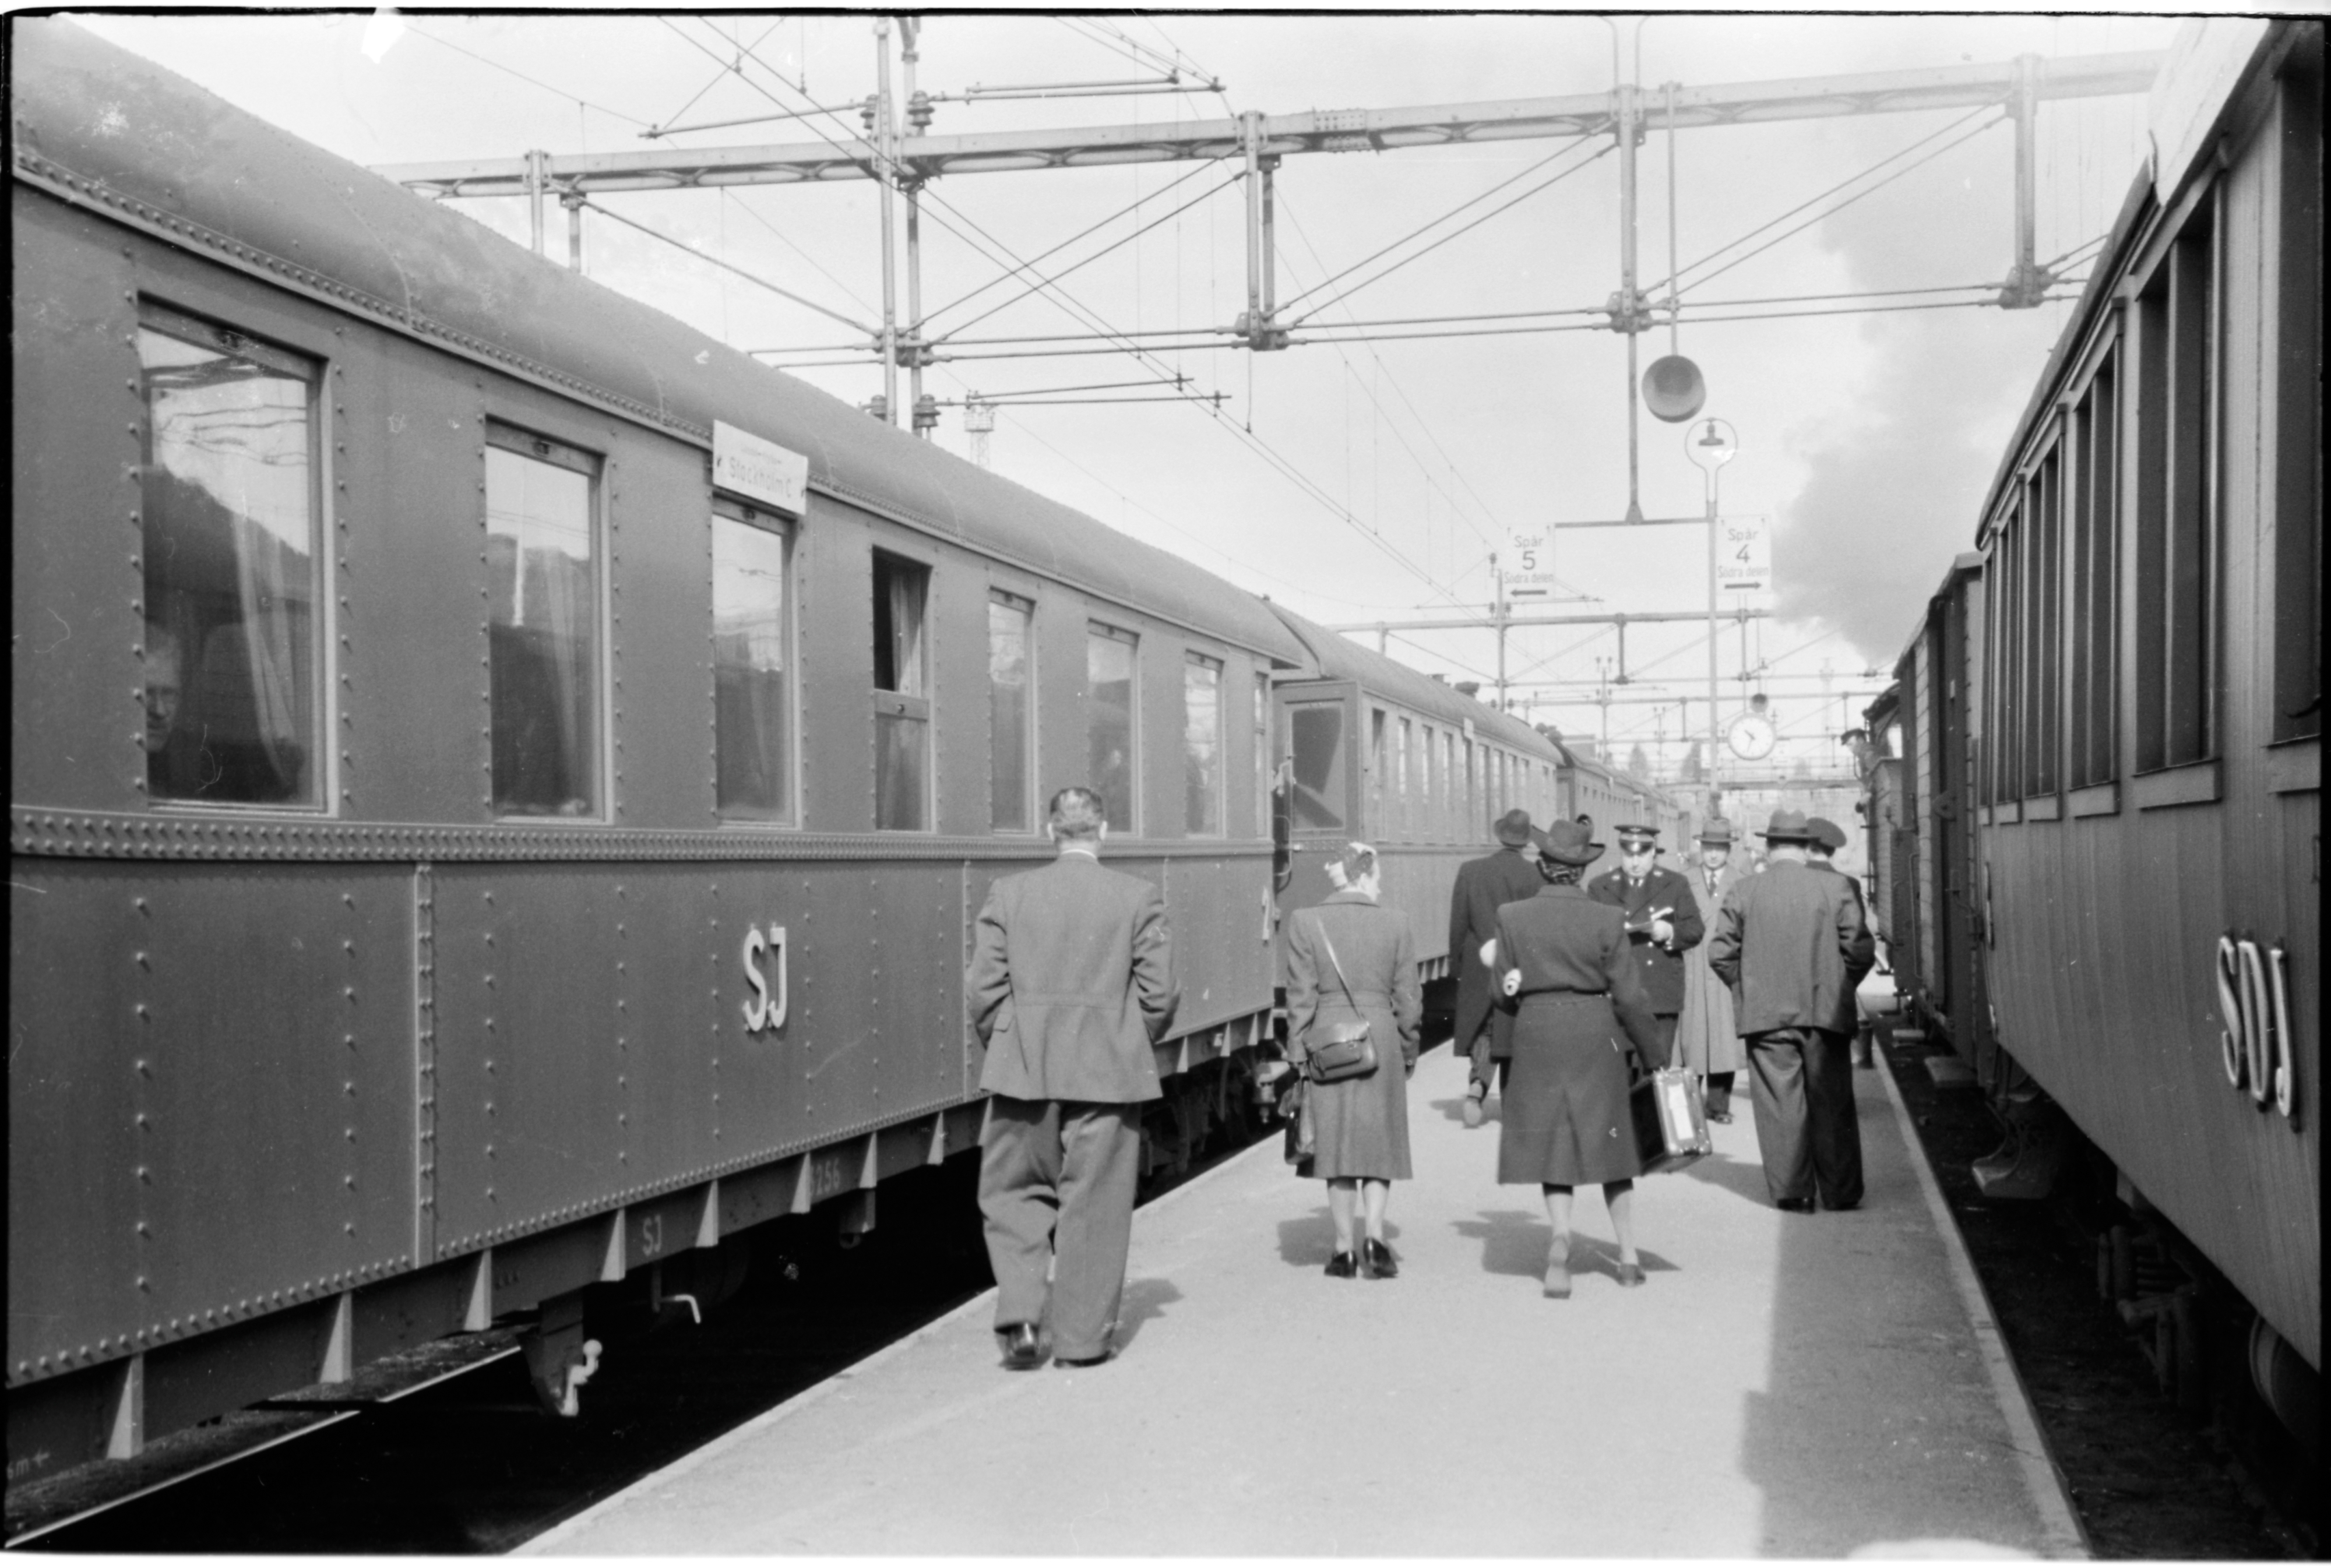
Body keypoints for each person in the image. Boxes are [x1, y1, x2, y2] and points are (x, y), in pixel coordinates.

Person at [965, 785, 1178, 1370]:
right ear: (1103, 832)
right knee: (1096, 1203)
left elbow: (982, 991)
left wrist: (1009, 1045)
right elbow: (1159, 997)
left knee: (1012, 1195)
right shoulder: (1137, 897)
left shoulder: (1009, 894)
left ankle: (1022, 1318)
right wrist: (1125, 1043)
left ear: (1049, 831)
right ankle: (1082, 1343)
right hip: (1108, 1073)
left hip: (1024, 1069)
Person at [1490, 819, 1667, 1297]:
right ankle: (1628, 1257)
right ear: (1582, 869)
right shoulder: (1606, 919)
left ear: (1544, 867)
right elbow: (1630, 998)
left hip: (1537, 1033)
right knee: (1612, 1146)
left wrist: (1518, 990)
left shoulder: (1512, 916)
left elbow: (1502, 994)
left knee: (1555, 1147)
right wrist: (1656, 1056)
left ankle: (1560, 1242)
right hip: (1595, 1034)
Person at [1706, 809, 1876, 1213]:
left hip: (1766, 1017)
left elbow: (1720, 953)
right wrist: (1839, 984)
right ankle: (1841, 1193)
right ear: (1805, 846)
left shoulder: (1745, 890)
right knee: (1832, 1101)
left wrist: (1747, 987)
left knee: (1780, 1104)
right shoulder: (1836, 888)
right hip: (1825, 1012)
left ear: (1769, 846)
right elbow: (1861, 951)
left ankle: (1793, 1193)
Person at [1287, 841, 1422, 1279]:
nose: (1379, 885)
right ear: (1363, 876)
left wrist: (1298, 1053)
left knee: (1337, 1147)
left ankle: (1343, 1249)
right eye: (1377, 877)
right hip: (1379, 1036)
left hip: (1328, 1041)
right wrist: (1408, 1049)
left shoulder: (1306, 921)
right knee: (1378, 1142)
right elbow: (1409, 999)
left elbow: (1300, 997)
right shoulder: (1396, 923)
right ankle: (1377, 1239)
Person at [1447, 809, 1542, 1128]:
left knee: (1484, 1027)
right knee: (1512, 1029)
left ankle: (1477, 1085)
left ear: (1499, 835)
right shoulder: (1535, 875)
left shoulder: (1470, 871)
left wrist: (1456, 965)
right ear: (1526, 841)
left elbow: (1458, 925)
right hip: (1518, 964)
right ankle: (1513, 1103)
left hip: (1478, 964)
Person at [1585, 823, 1703, 1077]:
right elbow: (1588, 937)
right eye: (1629, 855)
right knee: (1618, 1072)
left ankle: (1651, 1118)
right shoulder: (1601, 886)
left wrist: (1670, 931)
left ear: (1653, 854)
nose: (1635, 862)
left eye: (1641, 855)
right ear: (1622, 853)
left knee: (1656, 1071)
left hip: (1659, 993)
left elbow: (1695, 929)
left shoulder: (1675, 884)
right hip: (1617, 993)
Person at [1674, 818, 1746, 1121]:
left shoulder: (1740, 880)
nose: (1714, 855)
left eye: (1719, 848)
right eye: (1709, 848)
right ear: (1700, 848)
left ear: (1728, 850)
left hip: (1724, 971)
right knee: (1692, 1039)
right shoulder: (1683, 880)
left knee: (1722, 1039)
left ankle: (1719, 1106)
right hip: (1691, 966)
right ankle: (1690, 1108)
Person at [1805, 817, 1874, 1066]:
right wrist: (1845, 983)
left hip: (1789, 1004)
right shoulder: (1848, 885)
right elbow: (1860, 950)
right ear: (1832, 851)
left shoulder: (1789, 882)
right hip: (1834, 1003)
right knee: (1832, 1081)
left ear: (1805, 847)